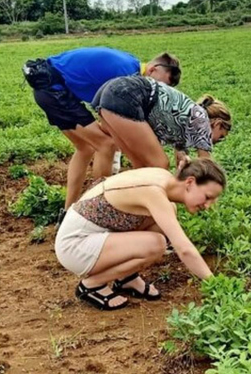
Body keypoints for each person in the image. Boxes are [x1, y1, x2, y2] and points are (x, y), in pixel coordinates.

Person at [55, 158, 226, 310]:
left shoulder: (163, 178)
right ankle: (92, 285)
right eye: (207, 197)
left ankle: (125, 278)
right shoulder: (154, 192)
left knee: (166, 214)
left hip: (94, 233)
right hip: (74, 245)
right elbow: (184, 249)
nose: (208, 206)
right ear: (189, 182)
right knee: (156, 245)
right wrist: (215, 285)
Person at [29, 47, 181, 206]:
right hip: (54, 90)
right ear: (152, 69)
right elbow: (110, 117)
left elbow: (110, 118)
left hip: (50, 88)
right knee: (106, 145)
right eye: (157, 83)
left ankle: (68, 211)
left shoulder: (131, 64)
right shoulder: (126, 75)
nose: (155, 89)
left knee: (85, 148)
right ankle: (99, 206)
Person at [92, 75, 232, 173]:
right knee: (160, 163)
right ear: (217, 123)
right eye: (220, 137)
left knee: (140, 165)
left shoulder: (186, 123)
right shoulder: (200, 117)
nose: (215, 142)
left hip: (111, 93)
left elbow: (181, 161)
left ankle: (116, 205)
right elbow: (205, 163)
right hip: (125, 95)